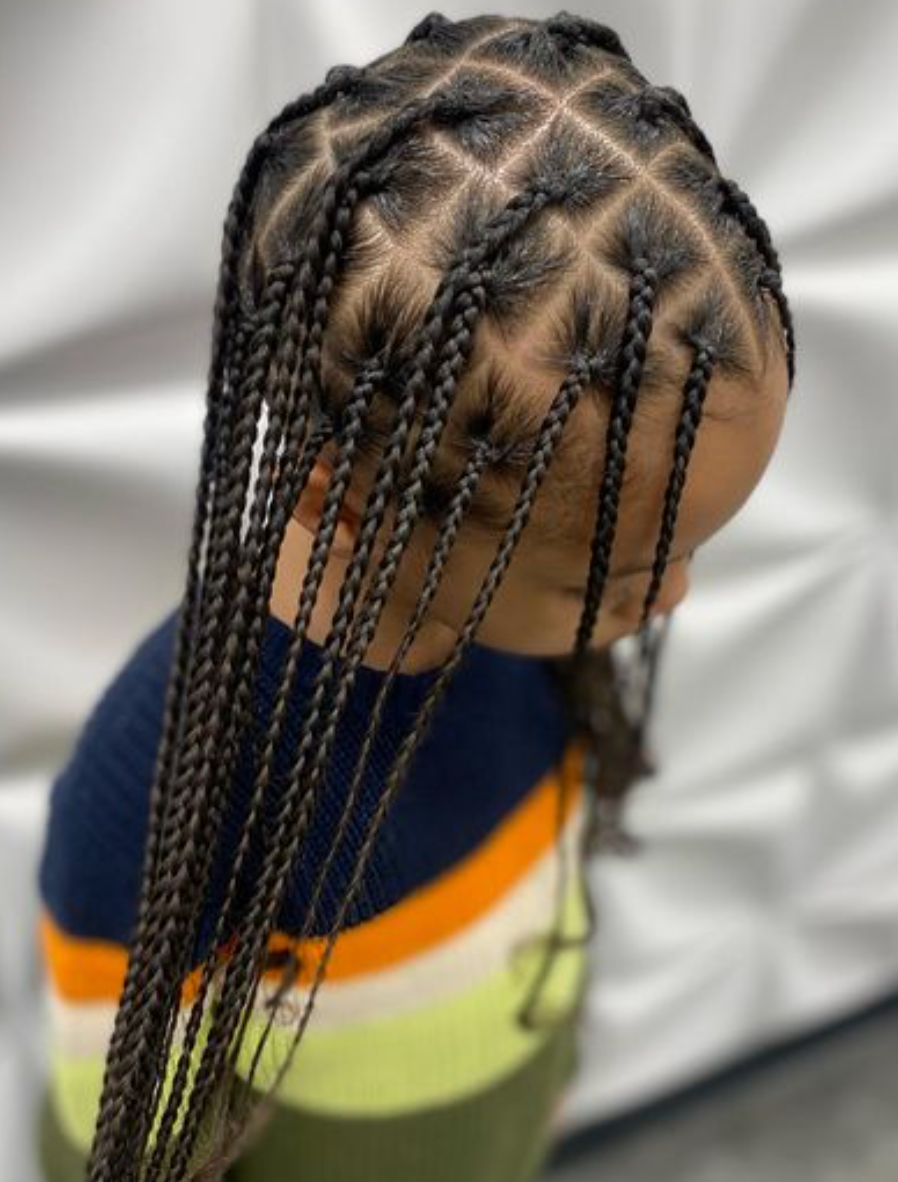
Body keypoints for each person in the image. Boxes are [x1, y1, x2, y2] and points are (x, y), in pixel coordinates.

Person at [33, 10, 796, 1182]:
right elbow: (123, 1137)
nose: (675, 600)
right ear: (348, 499)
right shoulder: (166, 791)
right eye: (632, 572)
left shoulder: (507, 629)